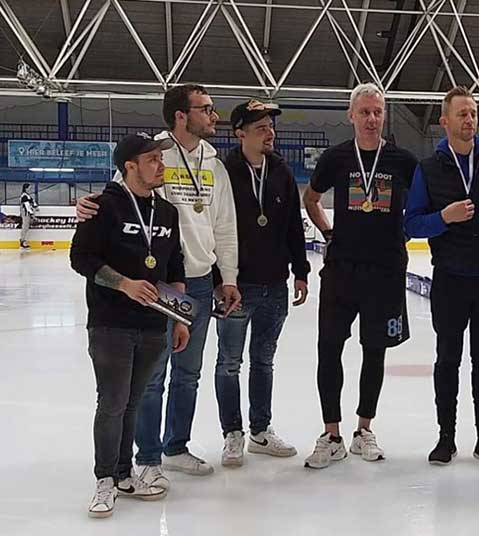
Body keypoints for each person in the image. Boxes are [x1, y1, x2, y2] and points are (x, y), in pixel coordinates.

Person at [76, 84, 240, 485]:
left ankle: (176, 447)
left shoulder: (215, 165)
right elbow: (118, 197)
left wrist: (228, 277)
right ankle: (147, 456)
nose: (214, 116)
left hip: (194, 282)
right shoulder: (150, 154)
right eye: (206, 109)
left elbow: (225, 226)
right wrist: (85, 206)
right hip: (153, 283)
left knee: (188, 373)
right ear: (181, 115)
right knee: (151, 378)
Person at [70, 133, 190, 517]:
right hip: (111, 324)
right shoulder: (103, 206)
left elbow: (174, 267)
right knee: (112, 403)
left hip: (154, 326)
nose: (161, 165)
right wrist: (124, 284)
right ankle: (105, 479)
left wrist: (180, 319)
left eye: (160, 158)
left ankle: (124, 474)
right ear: (130, 167)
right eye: (152, 159)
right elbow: (80, 258)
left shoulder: (167, 212)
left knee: (133, 403)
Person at [404, 86, 479, 468]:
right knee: (447, 360)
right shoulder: (428, 168)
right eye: (462, 114)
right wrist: (444, 217)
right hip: (450, 280)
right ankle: (446, 438)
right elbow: (411, 224)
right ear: (445, 121)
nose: (469, 119)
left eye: (473, 113)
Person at [301, 82, 418, 469]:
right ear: (351, 115)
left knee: (375, 351)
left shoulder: (402, 160)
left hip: (385, 271)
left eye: (378, 112)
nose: (371, 119)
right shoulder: (336, 158)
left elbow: (425, 205)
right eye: (365, 112)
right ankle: (331, 434)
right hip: (341, 270)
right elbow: (310, 199)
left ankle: (363, 430)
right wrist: (328, 232)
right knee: (328, 349)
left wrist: (410, 229)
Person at [214, 99, 311, 467]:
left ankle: (260, 431)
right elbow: (214, 228)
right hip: (236, 286)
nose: (269, 133)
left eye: (271, 127)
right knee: (229, 363)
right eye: (260, 128)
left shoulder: (281, 171)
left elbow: (292, 226)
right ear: (240, 133)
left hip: (275, 285)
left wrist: (300, 270)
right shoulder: (224, 172)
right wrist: (220, 280)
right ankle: (232, 433)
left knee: (264, 361)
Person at [20, 183, 36, 248]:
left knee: (26, 227)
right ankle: (22, 241)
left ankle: (23, 240)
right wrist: (32, 214)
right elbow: (27, 206)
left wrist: (35, 206)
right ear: (26, 188)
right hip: (25, 213)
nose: (30, 189)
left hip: (27, 213)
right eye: (29, 187)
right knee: (25, 227)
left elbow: (32, 202)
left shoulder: (27, 195)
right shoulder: (24, 196)